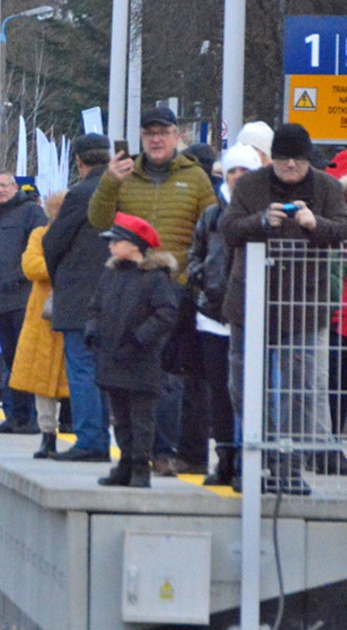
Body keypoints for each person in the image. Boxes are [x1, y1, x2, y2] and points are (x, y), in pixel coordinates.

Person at [88, 106, 217, 476]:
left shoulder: (195, 178)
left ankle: (176, 452)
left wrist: (199, 276)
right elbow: (98, 219)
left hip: (178, 289)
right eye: (149, 134)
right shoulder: (125, 174)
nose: (156, 139)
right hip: (130, 291)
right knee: (133, 377)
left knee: (178, 378)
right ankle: (140, 456)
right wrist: (110, 181)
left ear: (178, 136)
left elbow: (209, 228)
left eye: (163, 132)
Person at [220, 123, 347, 495]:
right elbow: (229, 230)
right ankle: (253, 461)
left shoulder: (326, 187)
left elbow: (342, 228)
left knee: (302, 390)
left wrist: (315, 224)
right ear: (272, 157)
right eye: (282, 157)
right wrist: (262, 222)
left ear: (308, 158)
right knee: (245, 387)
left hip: (305, 306)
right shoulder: (250, 186)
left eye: (297, 158)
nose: (290, 165)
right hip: (251, 303)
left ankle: (288, 469)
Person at [188, 143, 261, 487]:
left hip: (250, 317)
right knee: (219, 391)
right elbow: (196, 252)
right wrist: (201, 277)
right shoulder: (211, 215)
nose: (237, 178)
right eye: (232, 171)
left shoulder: (260, 212)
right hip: (212, 315)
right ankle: (225, 458)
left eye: (244, 171)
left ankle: (248, 461)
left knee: (245, 391)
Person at [90, 213, 180, 489]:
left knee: (142, 417)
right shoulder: (111, 273)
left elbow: (166, 313)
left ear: (135, 245)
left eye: (116, 241)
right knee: (121, 417)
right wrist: (92, 330)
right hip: (112, 357)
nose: (111, 246)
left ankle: (141, 467)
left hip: (141, 360)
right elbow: (96, 306)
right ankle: (126, 464)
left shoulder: (154, 278)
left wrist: (139, 339)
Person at [43, 133, 114, 462]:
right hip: (117, 293)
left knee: (82, 368)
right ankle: (104, 437)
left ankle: (90, 440)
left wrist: (60, 276)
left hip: (80, 296)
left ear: (80, 162)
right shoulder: (123, 190)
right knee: (107, 369)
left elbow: (53, 241)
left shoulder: (80, 193)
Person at [0, 172, 46, 434]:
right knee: (10, 360)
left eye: (5, 185)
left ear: (15, 187)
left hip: (23, 299)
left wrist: (19, 277)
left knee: (27, 359)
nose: (1, 190)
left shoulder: (31, 214)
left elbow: (41, 250)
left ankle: (30, 417)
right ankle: (14, 415)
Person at [9, 190, 71, 458]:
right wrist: (66, 268)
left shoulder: (81, 234)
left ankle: (75, 429)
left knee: (75, 376)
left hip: (73, 313)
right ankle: (48, 434)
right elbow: (31, 266)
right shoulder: (39, 235)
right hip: (44, 317)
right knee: (42, 379)